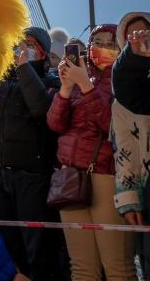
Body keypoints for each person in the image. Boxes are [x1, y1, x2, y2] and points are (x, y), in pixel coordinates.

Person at [48, 24, 134, 281]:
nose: (102, 47)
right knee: (82, 268)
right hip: (70, 179)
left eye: (110, 42)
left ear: (121, 47)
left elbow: (111, 126)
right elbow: (55, 124)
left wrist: (85, 86)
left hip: (106, 176)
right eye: (97, 41)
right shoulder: (78, 78)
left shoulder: (127, 79)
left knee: (118, 267)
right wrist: (65, 88)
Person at [0, 27, 64, 280]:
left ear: (44, 54)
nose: (23, 48)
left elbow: (41, 109)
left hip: (31, 175)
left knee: (37, 247)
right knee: (5, 246)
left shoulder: (51, 80)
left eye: (31, 45)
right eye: (20, 43)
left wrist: (24, 67)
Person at [109, 12, 150, 275]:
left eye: (146, 33)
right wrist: (129, 200)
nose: (140, 38)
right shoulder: (129, 96)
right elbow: (124, 150)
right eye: (132, 36)